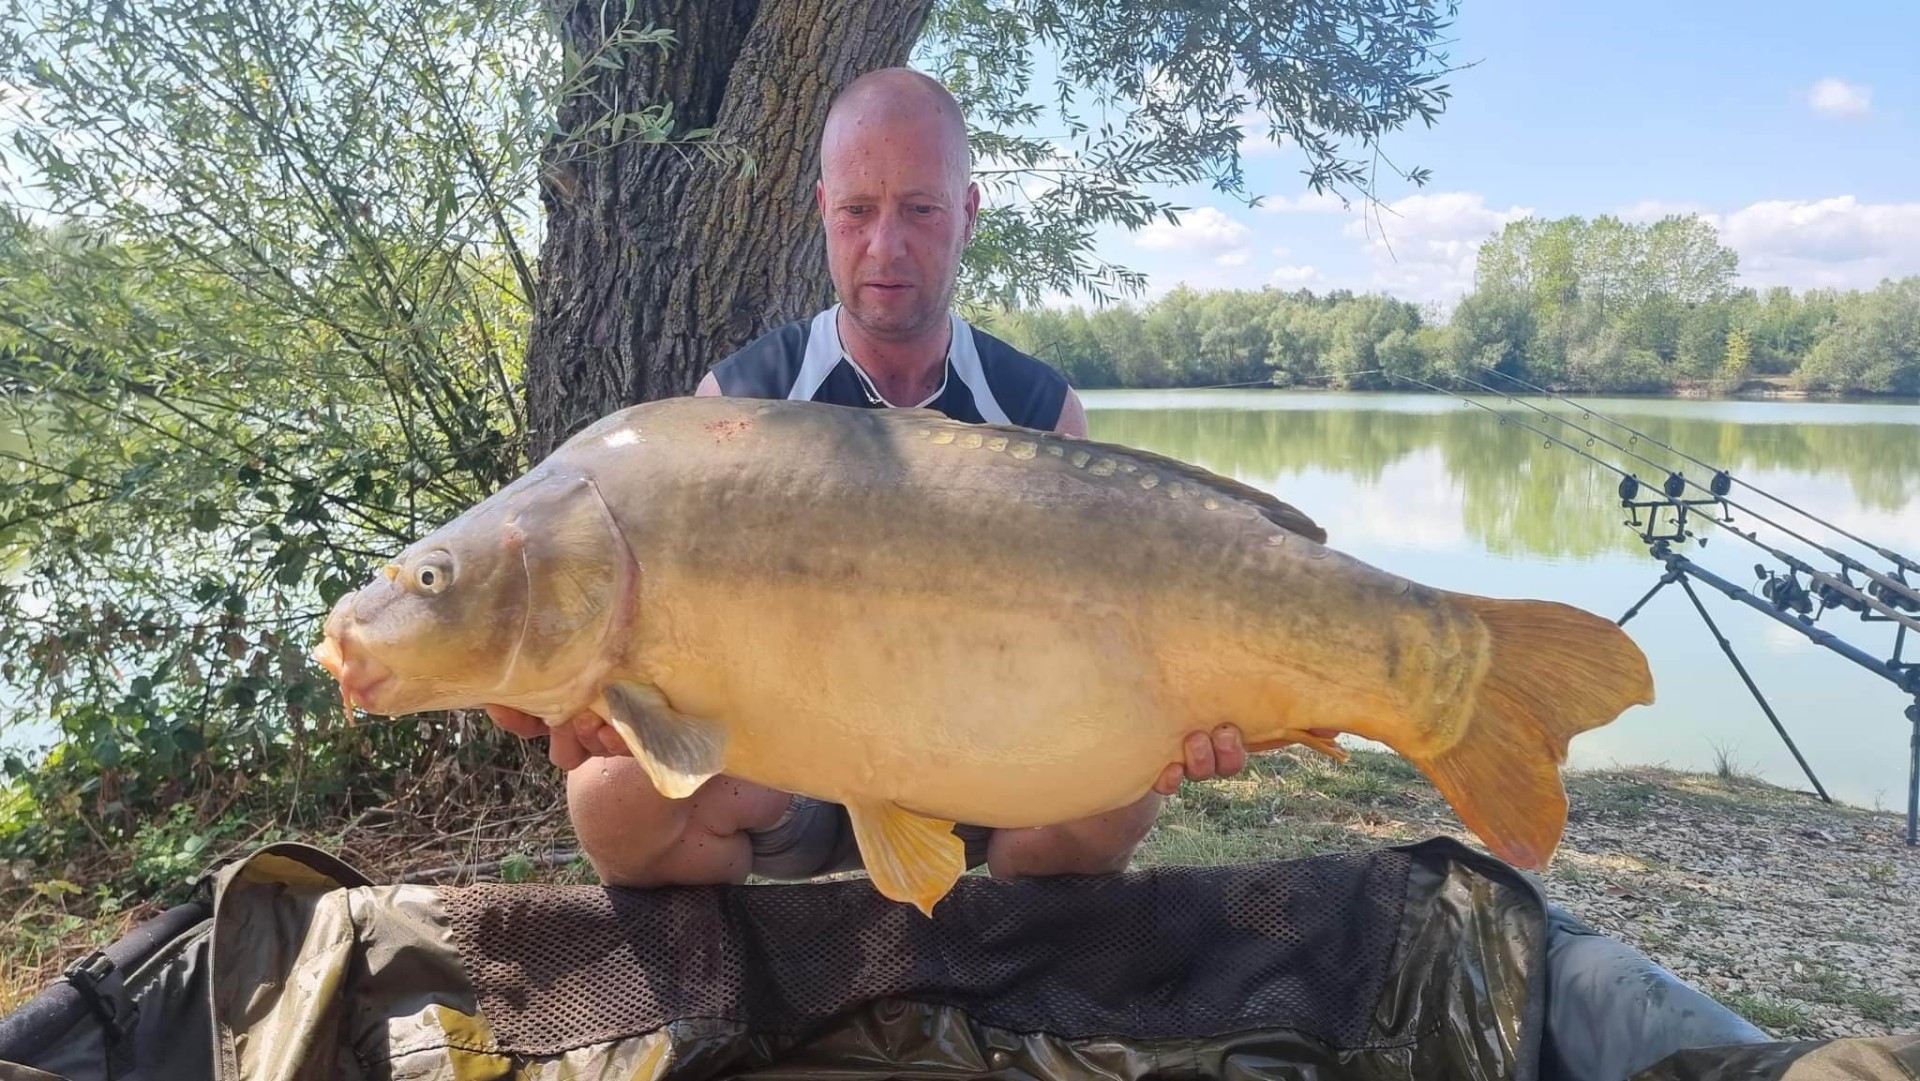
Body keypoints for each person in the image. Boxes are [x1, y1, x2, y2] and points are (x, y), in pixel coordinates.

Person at [487, 66, 1278, 891]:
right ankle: (734, 989)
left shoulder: (1036, 410)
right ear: (824, 210)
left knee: (1120, 797)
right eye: (860, 210)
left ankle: (1007, 966)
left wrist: (1181, 710)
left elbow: (1113, 633)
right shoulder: (739, 408)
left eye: (921, 210)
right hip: (790, 769)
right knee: (612, 795)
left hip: (987, 760)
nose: (886, 246)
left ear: (966, 215)